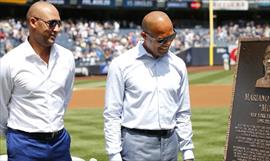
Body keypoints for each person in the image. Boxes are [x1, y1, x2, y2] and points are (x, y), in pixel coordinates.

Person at [104, 11, 194, 161]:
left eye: (171, 37)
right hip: (136, 144)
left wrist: (188, 150)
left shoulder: (178, 65)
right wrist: (114, 155)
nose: (168, 43)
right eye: (161, 40)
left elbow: (182, 112)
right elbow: (112, 114)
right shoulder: (122, 64)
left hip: (170, 143)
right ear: (144, 36)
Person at [0, 1, 75, 161]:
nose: (57, 29)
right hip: (23, 144)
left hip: (59, 141)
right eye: (52, 23)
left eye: (59, 23)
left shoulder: (67, 57)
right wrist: (15, 137)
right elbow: (1, 105)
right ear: (33, 22)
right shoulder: (10, 61)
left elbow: (65, 97)